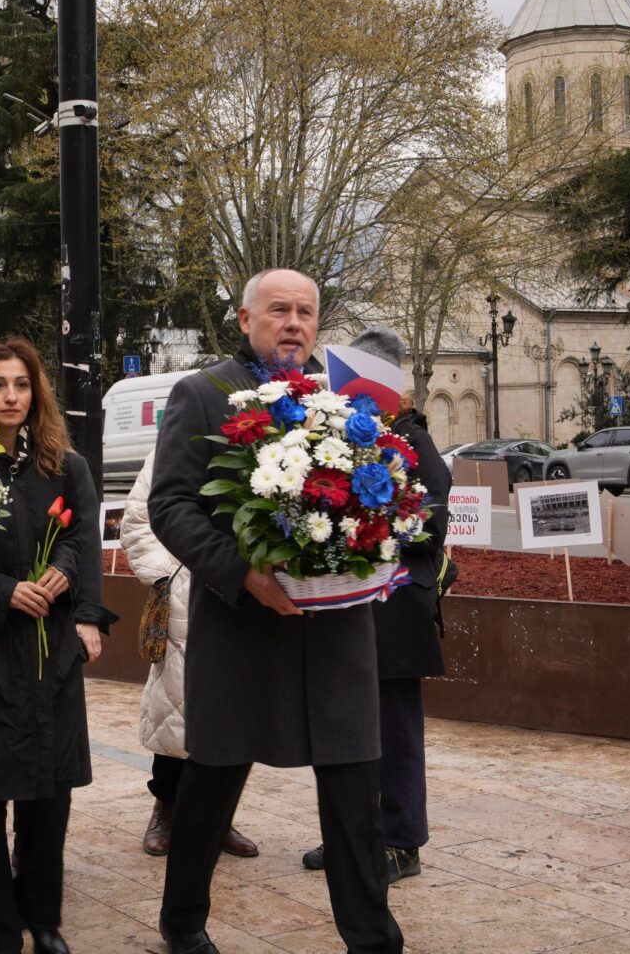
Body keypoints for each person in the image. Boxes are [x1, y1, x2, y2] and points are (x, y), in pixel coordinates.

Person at [149, 268, 403, 954]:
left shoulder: (348, 399)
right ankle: (182, 923)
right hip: (240, 625)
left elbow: (389, 490)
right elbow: (169, 505)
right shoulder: (202, 395)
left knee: (355, 790)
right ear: (245, 318)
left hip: (336, 631)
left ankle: (373, 937)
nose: (293, 323)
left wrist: (385, 538)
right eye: (279, 311)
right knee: (214, 779)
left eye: (306, 312)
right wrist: (241, 572)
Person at [0, 339, 117, 954]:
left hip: (49, 649)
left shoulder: (65, 465)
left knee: (50, 787)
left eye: (20, 384)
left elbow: (84, 539)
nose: (10, 396)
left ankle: (43, 918)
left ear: (35, 392)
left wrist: (74, 587)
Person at [297, 326, 452, 885]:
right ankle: (350, 835)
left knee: (395, 732)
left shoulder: (413, 441)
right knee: (344, 731)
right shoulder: (337, 435)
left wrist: (369, 530)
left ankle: (400, 841)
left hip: (396, 609)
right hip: (345, 607)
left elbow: (429, 526)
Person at [120, 449, 260, 860]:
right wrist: (169, 575)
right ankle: (165, 808)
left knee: (233, 716)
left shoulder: (257, 442)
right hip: (185, 597)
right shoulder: (172, 444)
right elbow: (137, 519)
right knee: (174, 709)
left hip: (242, 597)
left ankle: (220, 817)